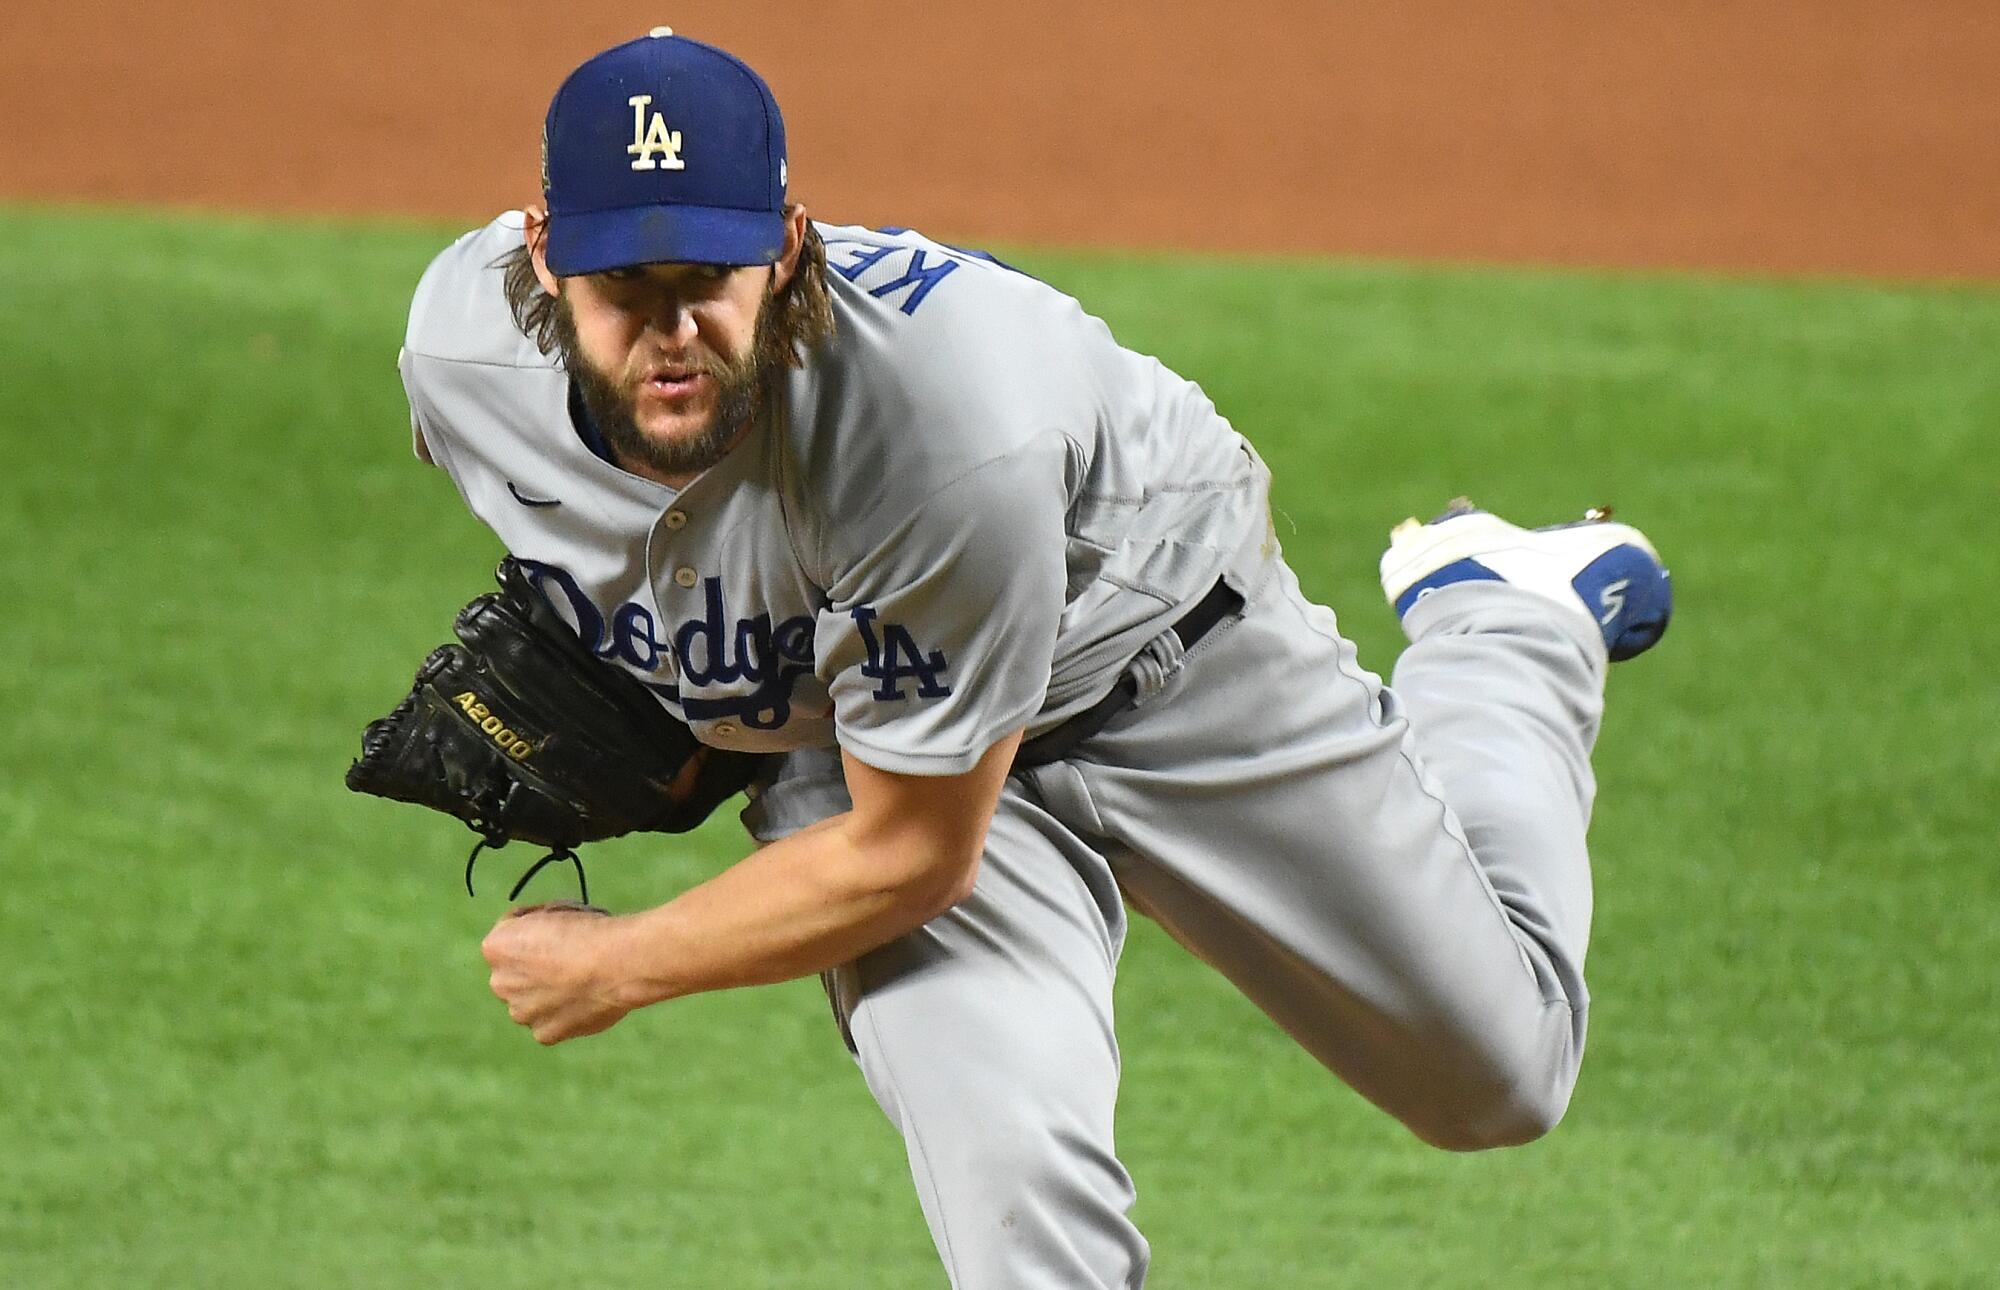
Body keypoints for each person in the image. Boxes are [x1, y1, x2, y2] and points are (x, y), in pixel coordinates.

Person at [400, 28, 1673, 1288]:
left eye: (708, 279)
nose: (670, 333)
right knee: (1014, 1195)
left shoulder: (936, 431)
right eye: (624, 287)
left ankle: (1508, 619)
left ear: (786, 250)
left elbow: (911, 852)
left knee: (1498, 1079)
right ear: (541, 259)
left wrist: (618, 961)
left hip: (1155, 656)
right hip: (869, 743)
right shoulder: (461, 366)